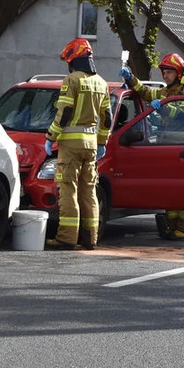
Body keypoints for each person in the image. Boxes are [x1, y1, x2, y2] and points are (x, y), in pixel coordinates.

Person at [119, 52, 184, 241]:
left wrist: (164, 107)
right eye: (163, 72)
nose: (165, 76)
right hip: (170, 145)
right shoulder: (165, 92)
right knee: (171, 189)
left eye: (169, 72)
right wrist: (131, 78)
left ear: (179, 73)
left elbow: (183, 115)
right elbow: (146, 93)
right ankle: (172, 226)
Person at [45, 38, 111, 251]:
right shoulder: (102, 83)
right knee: (89, 191)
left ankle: (67, 237)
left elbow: (65, 114)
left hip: (71, 146)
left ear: (73, 59)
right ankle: (90, 238)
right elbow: (107, 118)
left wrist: (50, 136)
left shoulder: (71, 80)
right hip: (91, 146)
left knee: (68, 189)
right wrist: (102, 142)